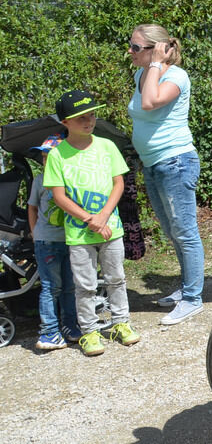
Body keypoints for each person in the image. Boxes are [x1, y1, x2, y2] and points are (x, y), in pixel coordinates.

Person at [44, 90, 139, 356]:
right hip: (79, 234)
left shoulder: (107, 146)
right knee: (84, 286)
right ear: (65, 123)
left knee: (116, 279)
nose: (89, 121)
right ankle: (89, 332)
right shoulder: (57, 155)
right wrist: (89, 219)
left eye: (92, 115)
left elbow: (118, 183)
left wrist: (104, 216)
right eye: (80, 118)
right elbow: (59, 196)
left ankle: (121, 323)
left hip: (111, 229)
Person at [127, 24, 205, 326]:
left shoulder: (175, 76)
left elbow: (149, 102)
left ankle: (193, 299)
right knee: (172, 232)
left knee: (185, 232)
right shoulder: (141, 74)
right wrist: (150, 67)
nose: (130, 52)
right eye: (131, 46)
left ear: (156, 48)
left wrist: (158, 63)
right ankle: (186, 289)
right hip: (154, 163)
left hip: (176, 163)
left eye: (136, 47)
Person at [28, 134, 82, 351]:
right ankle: (49, 331)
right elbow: (32, 207)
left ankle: (70, 326)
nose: (46, 161)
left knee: (70, 286)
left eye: (50, 156)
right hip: (47, 241)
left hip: (70, 239)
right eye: (43, 157)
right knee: (51, 287)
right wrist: (34, 233)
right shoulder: (40, 180)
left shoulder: (72, 177)